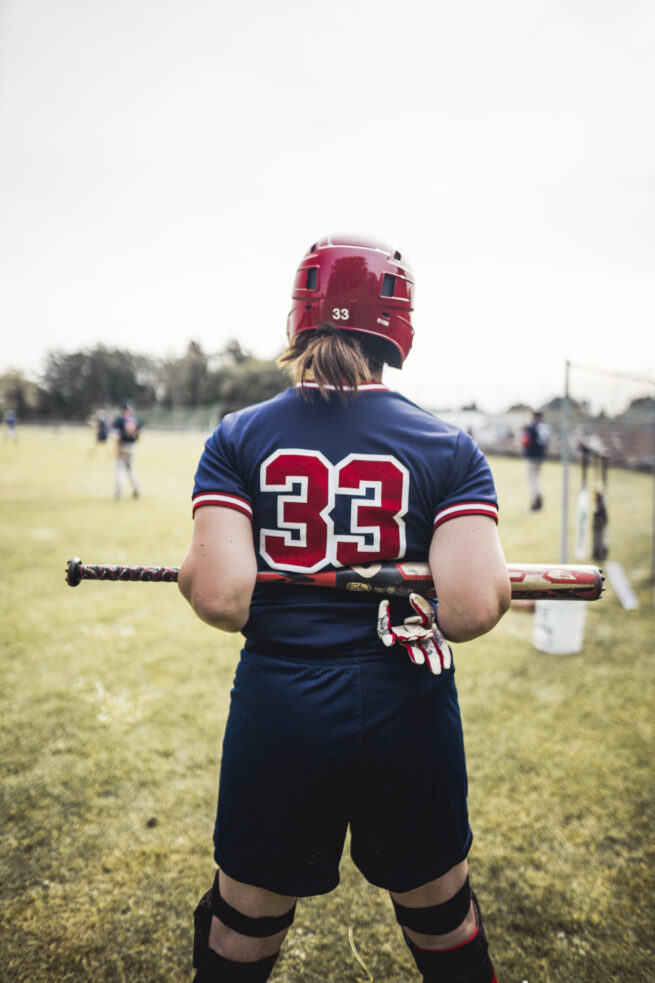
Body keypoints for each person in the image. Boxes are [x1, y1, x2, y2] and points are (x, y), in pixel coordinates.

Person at [179, 234, 511, 983]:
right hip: (407, 703)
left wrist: (192, 570)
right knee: (440, 916)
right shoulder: (448, 447)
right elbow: (470, 607)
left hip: (281, 702)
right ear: (396, 329)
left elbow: (221, 597)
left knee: (243, 922)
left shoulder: (237, 436)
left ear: (298, 318)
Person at [521, 409, 550, 510]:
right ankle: (538, 499)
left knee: (532, 481)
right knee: (537, 479)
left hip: (531, 456)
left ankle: (536, 502)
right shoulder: (545, 427)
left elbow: (525, 441)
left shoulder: (531, 427)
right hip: (541, 456)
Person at [112, 400, 141, 499]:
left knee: (119, 469)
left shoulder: (120, 420)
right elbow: (138, 435)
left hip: (122, 446)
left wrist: (117, 449)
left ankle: (118, 493)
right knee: (131, 469)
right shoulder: (135, 420)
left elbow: (117, 436)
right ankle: (136, 489)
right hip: (131, 446)